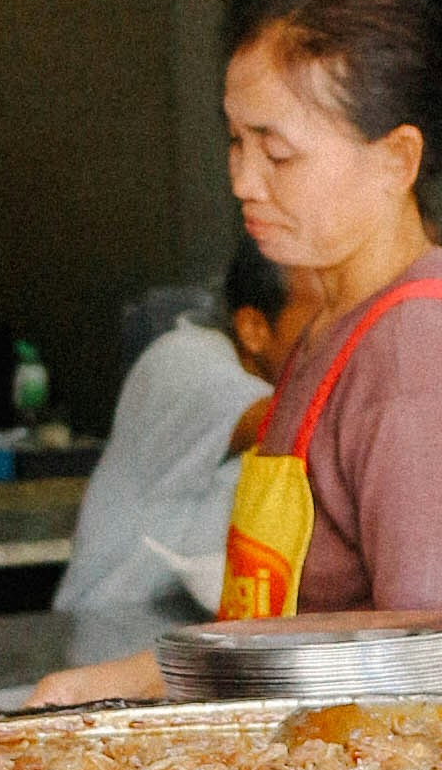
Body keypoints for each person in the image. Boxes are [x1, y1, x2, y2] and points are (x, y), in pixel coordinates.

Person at [37, 0, 442, 698]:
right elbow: (294, 621)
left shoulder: (416, 360)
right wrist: (128, 682)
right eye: (236, 142)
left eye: (278, 152)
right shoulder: (333, 323)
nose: (243, 180)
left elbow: (432, 675)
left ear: (396, 160)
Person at [51, 241, 295, 658]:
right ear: (254, 327)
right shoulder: (182, 362)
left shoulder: (268, 380)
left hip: (183, 639)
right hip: (110, 641)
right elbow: (292, 420)